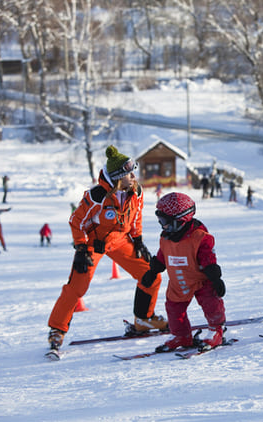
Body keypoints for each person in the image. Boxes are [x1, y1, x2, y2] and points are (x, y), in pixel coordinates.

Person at [47, 145, 166, 353]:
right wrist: (82, 248)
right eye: (129, 173)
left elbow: (136, 217)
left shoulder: (135, 191)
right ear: (119, 177)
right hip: (94, 243)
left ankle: (144, 319)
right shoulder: (97, 196)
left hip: (120, 241)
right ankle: (57, 330)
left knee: (151, 275)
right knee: (77, 287)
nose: (133, 176)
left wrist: (138, 240)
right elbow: (76, 222)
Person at [140, 192, 227, 352]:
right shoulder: (166, 237)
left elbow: (208, 260)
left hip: (201, 280)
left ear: (180, 220)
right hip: (178, 281)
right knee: (174, 309)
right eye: (160, 221)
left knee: (211, 304)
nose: (162, 225)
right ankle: (181, 335)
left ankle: (216, 330)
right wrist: (152, 272)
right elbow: (162, 256)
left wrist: (216, 279)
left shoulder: (200, 237)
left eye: (165, 221)